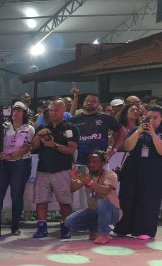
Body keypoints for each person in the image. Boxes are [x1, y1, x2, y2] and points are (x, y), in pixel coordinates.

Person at [31, 99, 79, 239]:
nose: (52, 113)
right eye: (51, 110)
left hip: (62, 169)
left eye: (56, 110)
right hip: (43, 169)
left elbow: (71, 149)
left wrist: (54, 145)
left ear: (63, 110)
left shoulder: (70, 128)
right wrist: (38, 135)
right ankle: (41, 228)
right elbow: (33, 146)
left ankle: (66, 227)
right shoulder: (42, 128)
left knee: (65, 201)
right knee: (41, 200)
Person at [0, 103, 35, 235]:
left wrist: (10, 156)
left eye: (19, 110)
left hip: (20, 163)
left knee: (16, 195)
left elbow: (26, 148)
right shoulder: (4, 126)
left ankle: (15, 225)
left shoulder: (29, 128)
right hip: (3, 163)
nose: (15, 113)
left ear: (24, 113)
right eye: (14, 110)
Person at [113, 105, 162, 240]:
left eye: (155, 118)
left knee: (148, 200)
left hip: (153, 170)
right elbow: (128, 147)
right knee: (127, 198)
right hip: (133, 168)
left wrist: (153, 134)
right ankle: (122, 228)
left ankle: (145, 230)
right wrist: (138, 132)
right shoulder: (136, 129)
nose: (151, 120)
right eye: (149, 117)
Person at [64, 151, 120, 245]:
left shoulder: (111, 174)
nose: (91, 164)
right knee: (69, 221)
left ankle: (104, 234)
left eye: (94, 162)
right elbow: (72, 189)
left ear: (103, 163)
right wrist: (74, 178)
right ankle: (94, 230)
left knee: (101, 202)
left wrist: (89, 182)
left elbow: (105, 191)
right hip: (94, 211)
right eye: (89, 162)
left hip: (112, 212)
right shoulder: (85, 173)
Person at [69, 92, 123, 164]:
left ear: (98, 104)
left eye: (93, 101)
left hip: (100, 160)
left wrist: (114, 149)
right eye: (87, 100)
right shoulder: (74, 120)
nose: (89, 103)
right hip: (80, 161)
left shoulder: (105, 118)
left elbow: (122, 131)